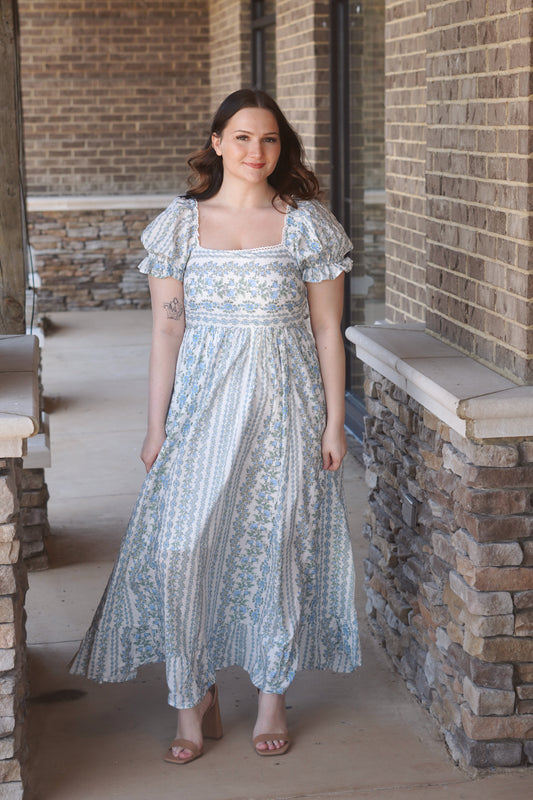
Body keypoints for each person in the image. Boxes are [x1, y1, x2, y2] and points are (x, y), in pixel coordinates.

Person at [70, 88, 360, 764]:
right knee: (180, 549)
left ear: (281, 147)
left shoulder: (306, 225)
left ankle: (270, 696)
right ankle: (191, 694)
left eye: (269, 139)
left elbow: (327, 329)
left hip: (285, 409)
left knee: (275, 548)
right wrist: (155, 426)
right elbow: (166, 331)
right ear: (217, 142)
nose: (256, 151)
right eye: (243, 137)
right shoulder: (180, 224)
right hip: (200, 410)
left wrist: (335, 421)